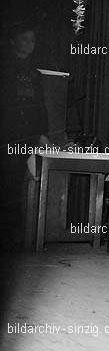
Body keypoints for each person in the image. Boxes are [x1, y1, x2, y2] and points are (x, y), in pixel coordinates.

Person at [0, 22, 51, 249]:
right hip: (7, 132)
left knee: (18, 181)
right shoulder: (5, 66)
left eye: (33, 40)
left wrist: (41, 133)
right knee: (6, 181)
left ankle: (14, 233)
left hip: (26, 134)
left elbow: (40, 105)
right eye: (25, 39)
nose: (30, 44)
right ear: (14, 40)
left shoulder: (34, 73)